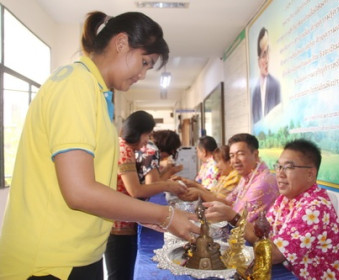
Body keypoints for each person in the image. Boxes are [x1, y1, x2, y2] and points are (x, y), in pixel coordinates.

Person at [0, 11, 199, 280]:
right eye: (143, 62)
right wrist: (164, 215)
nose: (141, 74)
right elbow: (79, 191)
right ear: (121, 43)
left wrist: (145, 215)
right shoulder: (75, 84)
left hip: (77, 252)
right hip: (50, 260)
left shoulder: (94, 91)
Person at [245, 139, 339, 279]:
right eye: (279, 167)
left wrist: (234, 218)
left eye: (288, 167)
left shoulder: (315, 207)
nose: (280, 174)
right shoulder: (285, 198)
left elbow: (273, 255)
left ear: (310, 174)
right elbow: (262, 234)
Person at [105, 111, 188, 280]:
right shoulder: (125, 150)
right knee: (121, 274)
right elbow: (136, 190)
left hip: (120, 219)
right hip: (119, 225)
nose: (146, 142)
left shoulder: (121, 146)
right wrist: (168, 185)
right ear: (138, 132)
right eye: (147, 135)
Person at [204, 133, 279, 225]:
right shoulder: (247, 176)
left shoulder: (262, 182)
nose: (235, 160)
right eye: (232, 156)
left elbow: (241, 221)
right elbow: (228, 202)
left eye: (240, 154)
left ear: (255, 155)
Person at [251, 27, 281, 124]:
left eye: (268, 53)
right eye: (264, 55)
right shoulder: (255, 92)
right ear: (258, 61)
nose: (267, 60)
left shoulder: (276, 85)